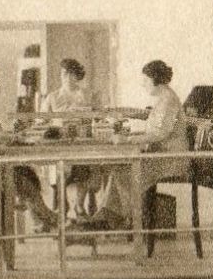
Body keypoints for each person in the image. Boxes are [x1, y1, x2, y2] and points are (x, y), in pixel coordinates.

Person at [79, 60, 189, 231]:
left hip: (170, 160)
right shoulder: (164, 98)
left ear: (156, 79)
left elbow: (160, 133)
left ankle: (119, 218)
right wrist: (130, 135)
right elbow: (155, 130)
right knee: (119, 168)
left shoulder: (168, 101)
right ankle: (110, 216)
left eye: (145, 80)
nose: (143, 84)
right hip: (161, 156)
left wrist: (127, 140)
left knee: (124, 171)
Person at [0, 64, 59, 232]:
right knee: (23, 178)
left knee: (28, 173)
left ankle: (42, 219)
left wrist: (14, 132)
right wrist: (18, 136)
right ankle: (49, 218)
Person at [40, 58, 102, 219]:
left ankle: (79, 206)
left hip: (83, 143)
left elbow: (101, 118)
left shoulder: (89, 95)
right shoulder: (52, 97)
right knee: (61, 168)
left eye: (70, 74)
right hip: (61, 145)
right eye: (63, 74)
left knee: (85, 166)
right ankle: (63, 207)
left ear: (78, 75)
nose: (66, 77)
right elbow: (40, 122)